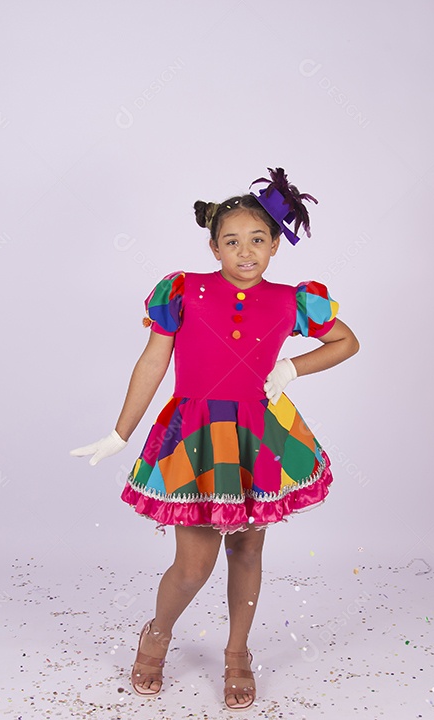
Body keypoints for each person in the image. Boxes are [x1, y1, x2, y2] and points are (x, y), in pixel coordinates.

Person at [71, 167, 359, 710]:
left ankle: (237, 651)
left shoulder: (290, 300)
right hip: (197, 437)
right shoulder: (185, 291)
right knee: (193, 565)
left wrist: (292, 368)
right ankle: (157, 634)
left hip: (258, 435)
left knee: (247, 550)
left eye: (257, 240)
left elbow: (346, 341)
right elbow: (154, 360)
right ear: (213, 246)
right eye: (232, 241)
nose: (245, 252)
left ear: (275, 245)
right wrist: (120, 431)